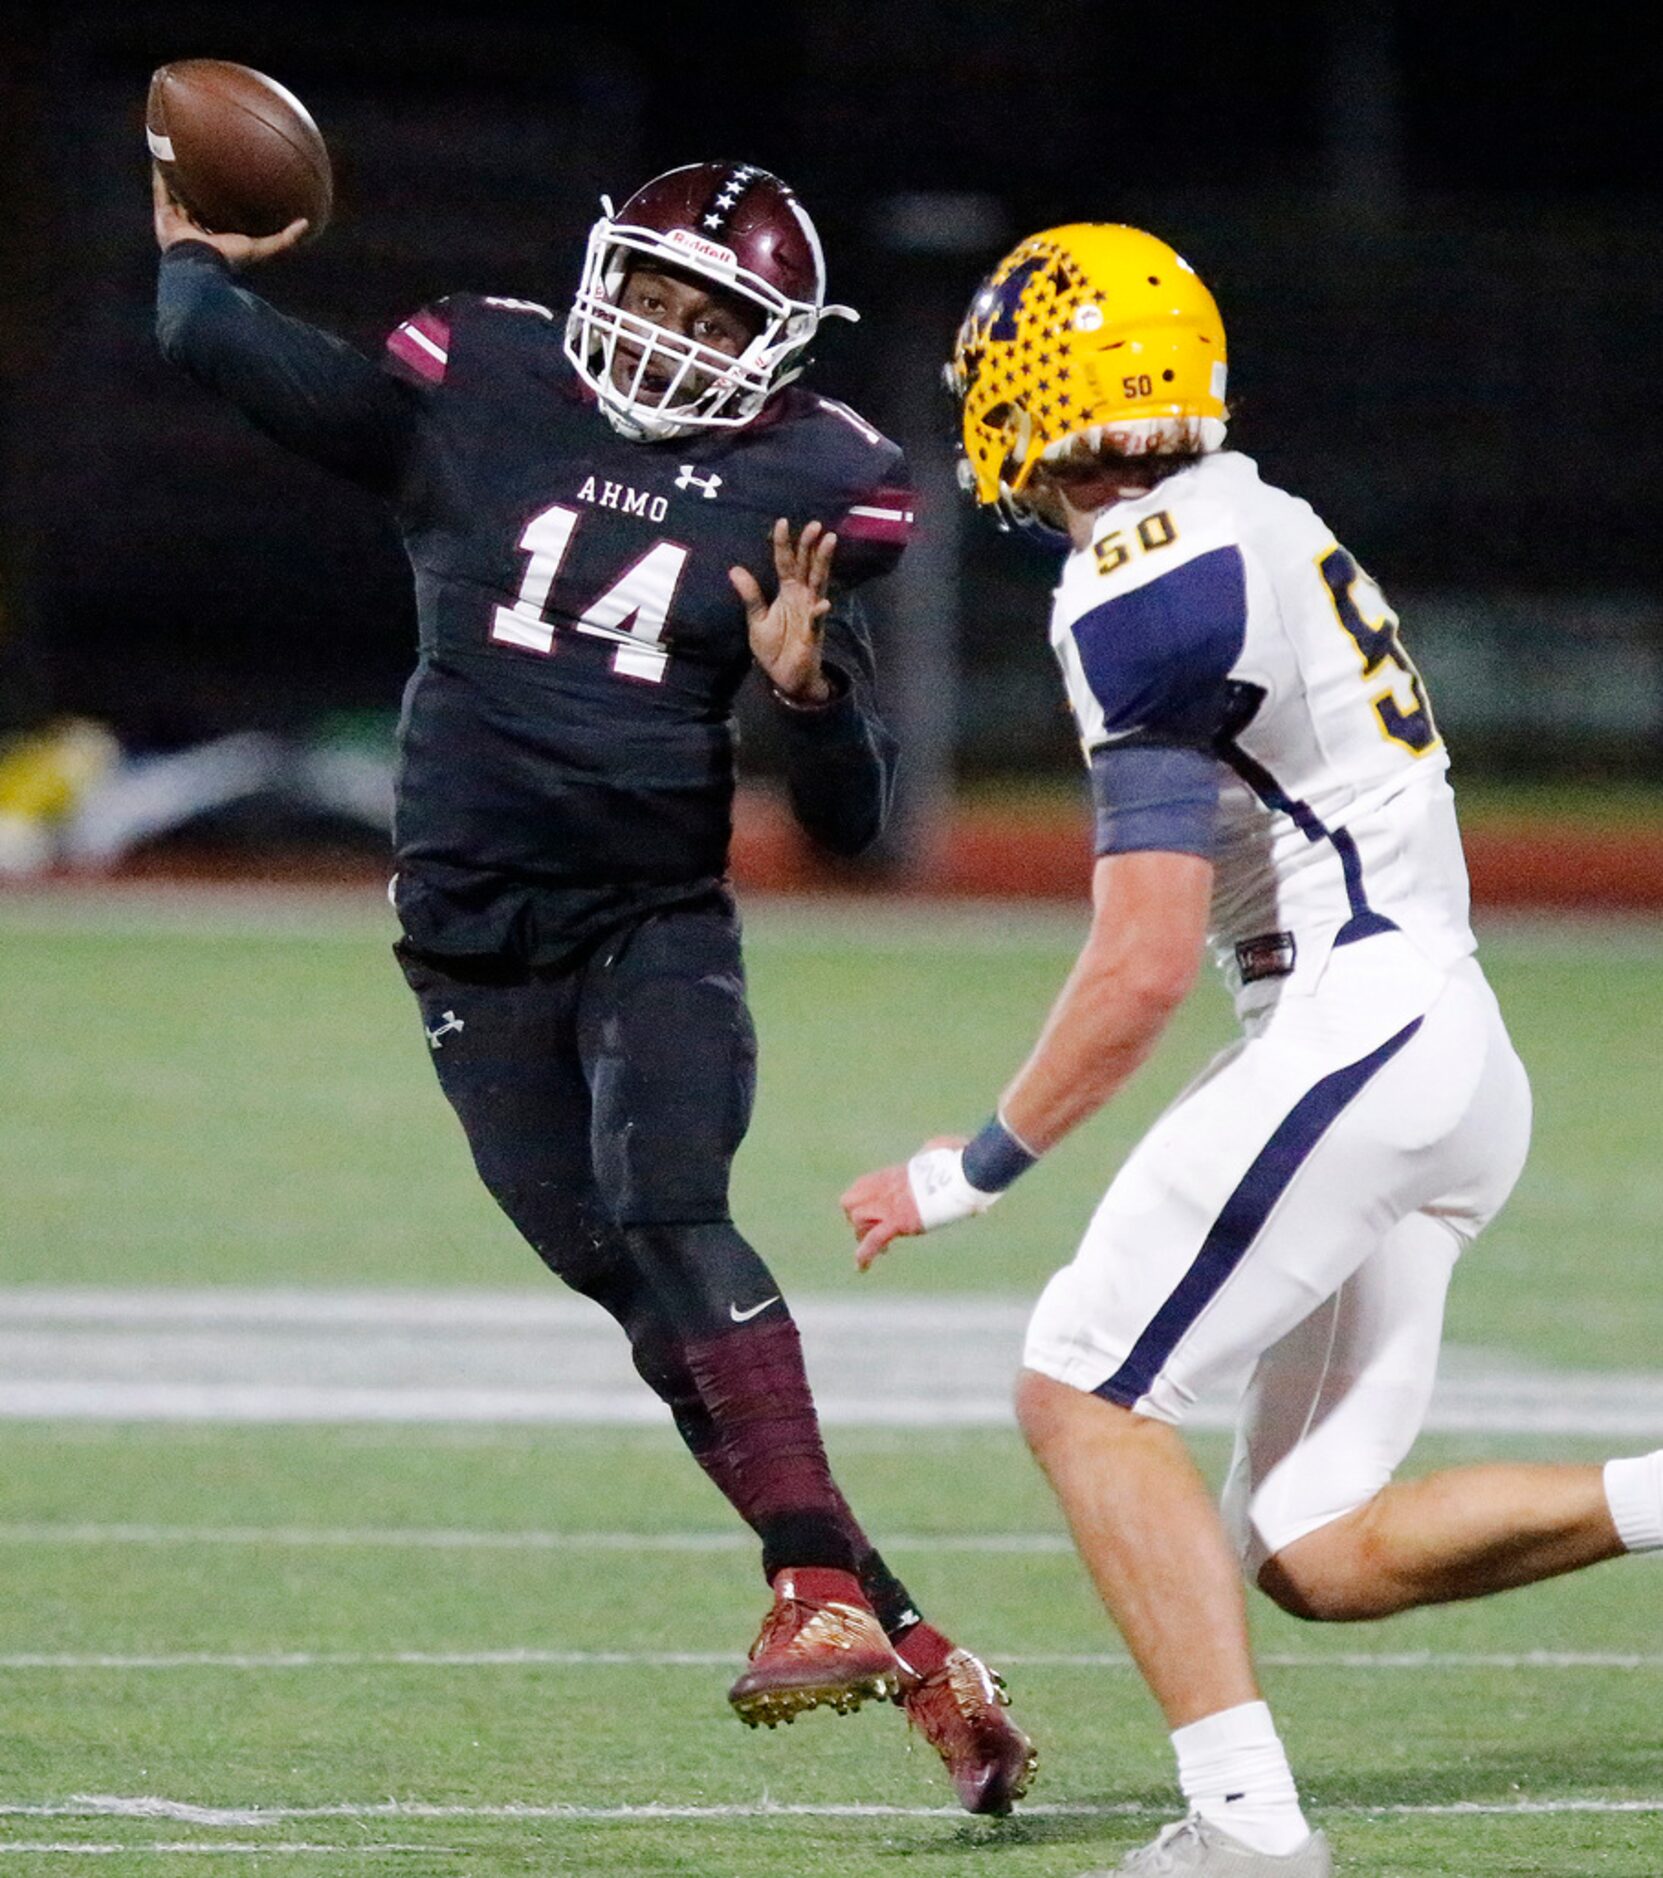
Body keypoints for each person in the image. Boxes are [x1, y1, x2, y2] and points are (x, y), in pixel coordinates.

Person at [151, 157, 1035, 1814]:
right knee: (647, 1310)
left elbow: (854, 837)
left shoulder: (809, 484)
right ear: (598, 272)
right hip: (470, 941)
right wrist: (196, 247)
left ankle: (812, 1586)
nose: (672, 332)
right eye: (654, 290)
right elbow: (218, 345)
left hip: (653, 922)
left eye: (717, 314)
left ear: (783, 344)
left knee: (669, 1204)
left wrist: (813, 705)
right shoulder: (478, 381)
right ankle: (907, 1642)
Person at [841, 221, 1663, 1874]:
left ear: (1044, 388)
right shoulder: (1253, 514)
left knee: (1081, 1385)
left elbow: (1141, 957)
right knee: (1316, 1545)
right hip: (1435, 1043)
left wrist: (967, 1167)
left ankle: (1246, 1829)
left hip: (1355, 1027)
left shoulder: (1143, 569)